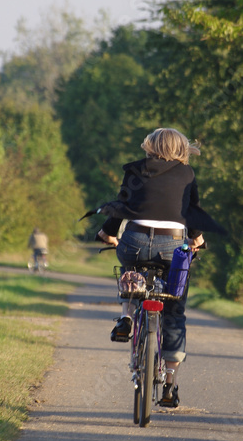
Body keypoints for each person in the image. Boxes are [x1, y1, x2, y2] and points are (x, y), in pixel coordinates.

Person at [95, 127, 223, 408]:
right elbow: (193, 213)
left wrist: (106, 234)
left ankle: (126, 317)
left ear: (150, 146)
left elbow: (121, 207)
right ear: (181, 150)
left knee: (132, 274)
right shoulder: (187, 174)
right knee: (174, 310)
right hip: (172, 246)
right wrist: (198, 239)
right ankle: (169, 383)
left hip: (136, 240)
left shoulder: (136, 171)